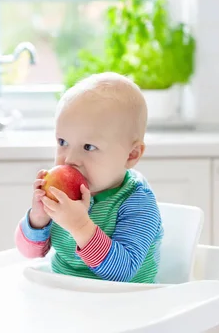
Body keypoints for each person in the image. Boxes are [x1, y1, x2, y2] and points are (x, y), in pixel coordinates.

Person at [14, 72, 164, 283]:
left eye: (89, 147)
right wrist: (38, 220)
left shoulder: (137, 202)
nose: (70, 159)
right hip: (67, 298)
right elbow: (28, 253)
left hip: (125, 305)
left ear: (131, 155)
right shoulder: (63, 193)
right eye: (63, 142)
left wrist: (81, 226)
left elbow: (122, 272)